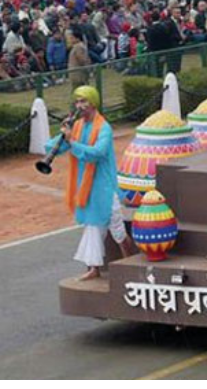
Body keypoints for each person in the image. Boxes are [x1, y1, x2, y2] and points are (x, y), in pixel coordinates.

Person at [44, 86, 119, 281]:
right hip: (87, 188)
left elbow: (98, 153)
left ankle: (131, 265)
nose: (80, 105)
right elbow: (52, 147)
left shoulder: (104, 128)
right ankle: (93, 269)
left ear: (93, 103)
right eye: (77, 102)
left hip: (104, 187)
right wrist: (63, 136)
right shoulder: (77, 126)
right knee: (92, 227)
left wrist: (73, 143)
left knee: (119, 233)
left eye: (83, 101)